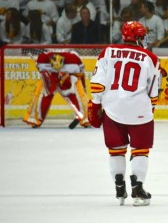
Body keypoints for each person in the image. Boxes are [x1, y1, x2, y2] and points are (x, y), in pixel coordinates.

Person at [88, 21, 160, 206]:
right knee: (140, 151)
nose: (144, 39)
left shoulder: (108, 52)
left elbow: (97, 83)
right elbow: (153, 93)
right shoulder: (150, 58)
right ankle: (138, 189)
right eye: (142, 36)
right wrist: (149, 110)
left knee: (116, 151)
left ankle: (119, 186)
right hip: (139, 111)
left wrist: (95, 104)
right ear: (136, 37)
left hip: (112, 110)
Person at [23, 50, 89, 128]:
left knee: (76, 94)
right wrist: (52, 79)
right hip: (51, 75)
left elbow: (80, 75)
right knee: (44, 94)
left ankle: (86, 118)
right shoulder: (42, 60)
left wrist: (82, 86)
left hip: (68, 75)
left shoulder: (74, 60)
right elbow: (41, 71)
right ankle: (35, 119)